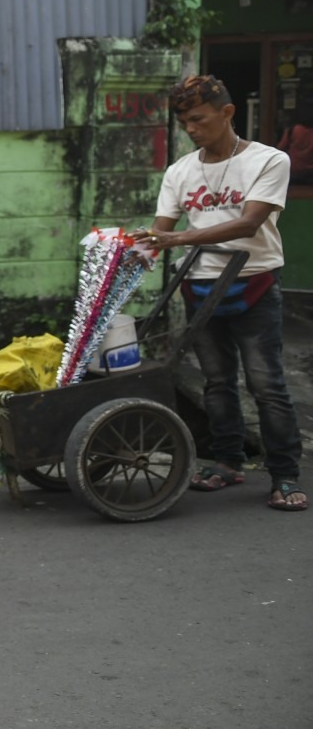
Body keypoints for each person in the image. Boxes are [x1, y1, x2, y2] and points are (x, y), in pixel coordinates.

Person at [143, 74, 305, 513]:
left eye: (198, 119)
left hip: (253, 281)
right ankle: (228, 461)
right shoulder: (180, 170)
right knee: (216, 382)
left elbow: (248, 224)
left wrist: (175, 242)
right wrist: (133, 248)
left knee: (266, 383)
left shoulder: (270, 161)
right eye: (184, 122)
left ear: (227, 113)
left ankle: (285, 473)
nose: (191, 129)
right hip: (197, 286)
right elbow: (160, 231)